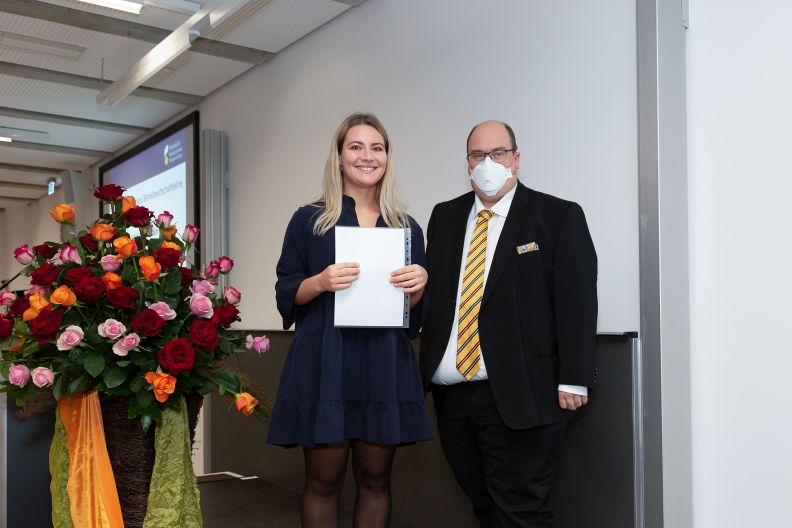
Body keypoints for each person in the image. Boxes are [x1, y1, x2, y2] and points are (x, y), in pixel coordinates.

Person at [419, 120, 598, 527]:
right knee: (485, 508)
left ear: (516, 159)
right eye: (478, 155)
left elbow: (577, 300)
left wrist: (575, 377)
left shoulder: (557, 216)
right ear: (467, 162)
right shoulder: (445, 216)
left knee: (521, 511)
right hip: (453, 397)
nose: (488, 163)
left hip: (524, 393)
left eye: (498, 153)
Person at [268, 113, 432, 527]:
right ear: (339, 157)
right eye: (356, 147)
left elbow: (412, 313)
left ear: (387, 157)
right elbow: (286, 290)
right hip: (326, 363)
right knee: (323, 483)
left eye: (377, 148)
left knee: (376, 481)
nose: (367, 156)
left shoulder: (407, 227)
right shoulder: (309, 219)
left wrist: (418, 286)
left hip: (383, 364)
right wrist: (320, 282)